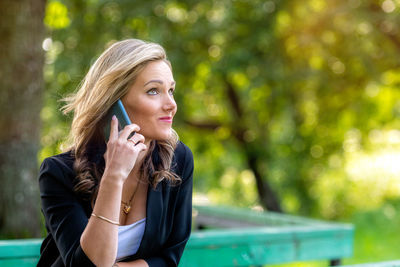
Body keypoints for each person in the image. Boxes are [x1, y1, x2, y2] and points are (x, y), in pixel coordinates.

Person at [38, 39, 194, 267]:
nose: (171, 104)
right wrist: (114, 175)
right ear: (113, 103)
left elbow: (168, 257)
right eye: (153, 91)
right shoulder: (58, 173)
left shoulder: (178, 159)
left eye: (170, 90)